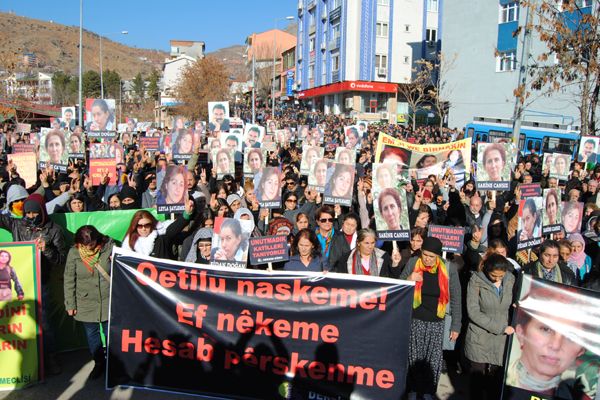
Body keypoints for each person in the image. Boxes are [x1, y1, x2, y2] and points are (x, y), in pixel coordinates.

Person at [399, 237, 462, 398]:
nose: (427, 259)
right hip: (415, 319)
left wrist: (456, 326)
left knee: (432, 359)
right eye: (425, 254)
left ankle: (428, 391)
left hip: (437, 321)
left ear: (438, 256)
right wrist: (409, 279)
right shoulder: (413, 263)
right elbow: (398, 287)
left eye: (431, 256)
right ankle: (412, 390)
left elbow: (456, 298)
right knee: (413, 357)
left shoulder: (449, 268)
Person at [506, 284, 586, 398]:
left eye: (570, 336)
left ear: (581, 350)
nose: (555, 345)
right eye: (546, 329)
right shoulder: (495, 382)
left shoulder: (579, 395)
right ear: (521, 332)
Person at [63, 225, 113, 379]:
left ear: (98, 239)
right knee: (92, 335)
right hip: (85, 301)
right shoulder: (74, 252)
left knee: (110, 332)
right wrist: (70, 304)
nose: (88, 248)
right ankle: (99, 363)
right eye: (85, 245)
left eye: (91, 244)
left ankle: (113, 363)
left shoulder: (109, 248)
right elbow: (69, 279)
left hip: (107, 299)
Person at [465, 254, 516, 399]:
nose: (497, 279)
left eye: (501, 276)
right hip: (479, 336)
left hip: (500, 340)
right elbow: (473, 311)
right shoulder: (476, 281)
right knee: (477, 382)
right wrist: (499, 328)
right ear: (487, 270)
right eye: (494, 275)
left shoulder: (510, 280)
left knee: (495, 383)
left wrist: (516, 306)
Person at [122, 202, 193, 258]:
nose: (143, 228)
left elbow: (174, 228)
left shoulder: (161, 237)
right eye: (140, 226)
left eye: (147, 225)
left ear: (152, 224)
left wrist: (186, 214)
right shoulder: (129, 242)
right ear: (135, 226)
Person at [335, 228, 399, 275]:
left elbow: (393, 280)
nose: (370, 246)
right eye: (367, 243)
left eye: (372, 243)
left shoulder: (384, 256)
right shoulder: (346, 259)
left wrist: (395, 264)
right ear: (358, 243)